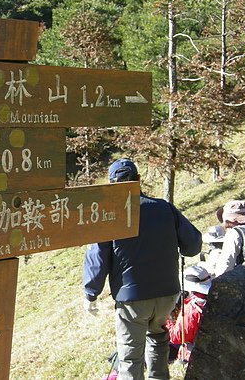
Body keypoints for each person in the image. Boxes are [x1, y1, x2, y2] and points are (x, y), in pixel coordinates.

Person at [83, 159, 202, 380]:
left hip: (132, 299)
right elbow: (193, 245)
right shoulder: (165, 208)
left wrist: (91, 294)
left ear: (111, 184)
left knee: (130, 357)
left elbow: (97, 258)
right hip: (167, 294)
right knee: (157, 339)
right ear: (138, 180)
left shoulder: (109, 215)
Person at [166, 264, 212, 363]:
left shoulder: (193, 307)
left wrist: (167, 319)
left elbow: (176, 337)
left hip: (195, 354)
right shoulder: (212, 298)